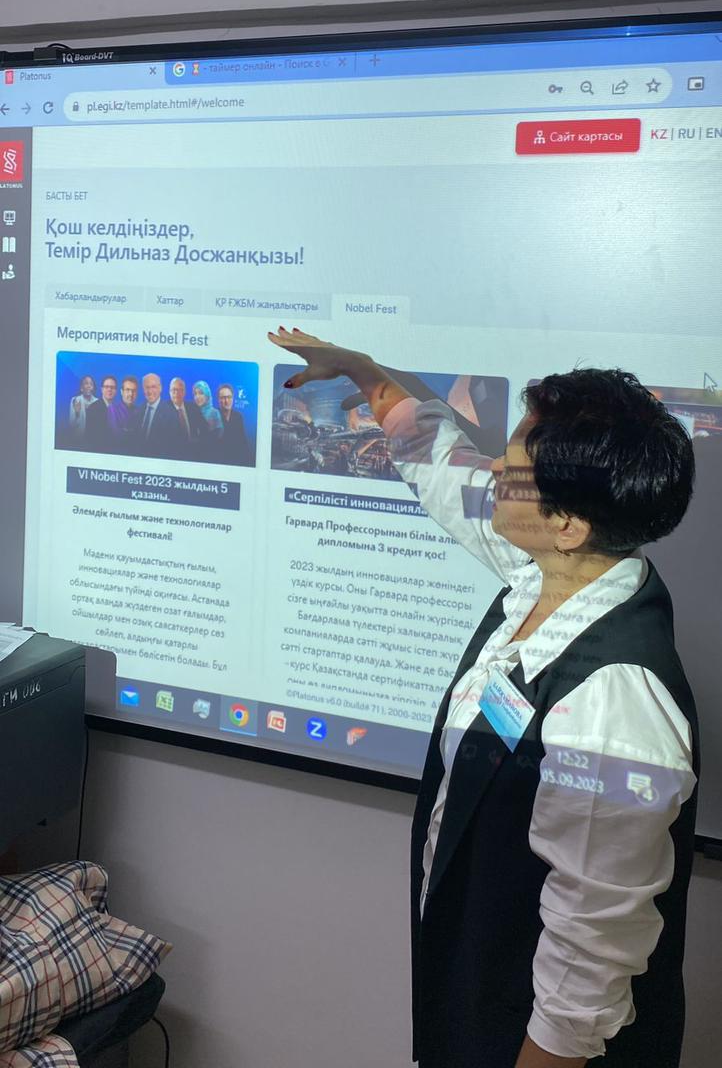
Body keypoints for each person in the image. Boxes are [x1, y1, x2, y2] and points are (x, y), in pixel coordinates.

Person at [267, 326, 699, 1068]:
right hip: (482, 997)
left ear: (567, 522)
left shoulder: (616, 704)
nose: (494, 465)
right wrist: (363, 371)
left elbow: (588, 964)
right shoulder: (550, 574)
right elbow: (440, 460)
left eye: (514, 462)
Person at [137, 372, 183, 458]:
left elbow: (173, 448)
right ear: (143, 389)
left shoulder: (171, 414)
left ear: (160, 388)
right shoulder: (138, 411)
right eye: (147, 387)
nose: (150, 391)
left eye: (153, 387)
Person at [216, 383, 253, 465]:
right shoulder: (214, 417)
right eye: (223, 398)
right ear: (218, 400)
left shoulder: (238, 417)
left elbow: (243, 443)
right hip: (220, 462)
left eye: (229, 397)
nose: (226, 401)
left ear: (233, 398)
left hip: (236, 462)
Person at [169, 377, 204, 458]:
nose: (176, 393)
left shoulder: (193, 408)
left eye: (180, 390)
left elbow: (204, 429)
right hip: (172, 455)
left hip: (193, 454)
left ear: (184, 392)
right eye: (174, 390)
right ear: (169, 392)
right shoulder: (164, 410)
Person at [84, 375, 118, 451]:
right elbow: (89, 437)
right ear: (102, 389)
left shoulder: (117, 409)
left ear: (116, 391)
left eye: (112, 387)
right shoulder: (93, 408)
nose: (109, 389)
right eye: (106, 387)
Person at [108, 375, 142, 449]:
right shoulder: (113, 409)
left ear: (137, 393)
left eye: (133, 390)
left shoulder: (139, 411)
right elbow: (117, 435)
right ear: (121, 392)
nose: (131, 394)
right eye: (127, 390)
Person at [192, 381, 223, 460]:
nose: (197, 397)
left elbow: (217, 440)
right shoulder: (192, 412)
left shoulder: (214, 413)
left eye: (201, 393)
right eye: (195, 394)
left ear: (207, 395)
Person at [67, 375, 97, 441]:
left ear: (93, 388)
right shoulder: (76, 400)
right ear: (81, 388)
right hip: (78, 439)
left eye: (91, 384)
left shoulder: (97, 402)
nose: (89, 386)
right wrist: (77, 413)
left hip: (93, 439)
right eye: (86, 383)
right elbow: (71, 425)